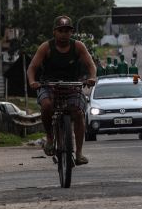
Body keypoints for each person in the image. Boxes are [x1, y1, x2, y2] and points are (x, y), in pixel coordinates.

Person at [27, 15, 97, 165]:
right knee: (46, 105)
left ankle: (78, 153)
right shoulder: (46, 47)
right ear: (54, 32)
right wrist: (33, 81)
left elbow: (91, 65)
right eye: (61, 31)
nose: (64, 34)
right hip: (49, 85)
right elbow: (32, 68)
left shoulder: (78, 46)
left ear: (71, 33)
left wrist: (92, 77)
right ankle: (50, 137)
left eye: (67, 31)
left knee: (78, 113)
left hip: (72, 85)